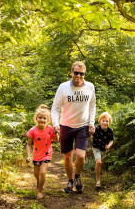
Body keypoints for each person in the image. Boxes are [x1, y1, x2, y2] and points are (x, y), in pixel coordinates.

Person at [51, 61, 96, 193]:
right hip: (65, 125)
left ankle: (77, 177)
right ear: (71, 72)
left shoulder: (90, 87)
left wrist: (91, 122)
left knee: (81, 156)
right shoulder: (63, 87)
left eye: (81, 74)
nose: (79, 76)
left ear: (84, 74)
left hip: (82, 125)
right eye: (76, 73)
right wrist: (55, 123)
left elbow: (92, 106)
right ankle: (70, 181)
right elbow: (55, 108)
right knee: (67, 157)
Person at [26, 104, 59, 199]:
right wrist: (28, 156)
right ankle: (39, 184)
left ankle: (39, 191)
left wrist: (56, 133)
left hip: (47, 154)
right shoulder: (32, 130)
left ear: (47, 120)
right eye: (40, 118)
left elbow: (56, 141)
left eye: (44, 118)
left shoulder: (50, 129)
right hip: (36, 155)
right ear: (36, 118)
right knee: (36, 174)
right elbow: (28, 144)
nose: (42, 120)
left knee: (43, 172)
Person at [91, 112, 114, 190]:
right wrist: (90, 133)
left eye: (107, 121)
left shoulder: (110, 130)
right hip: (96, 148)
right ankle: (98, 181)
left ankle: (97, 175)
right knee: (99, 162)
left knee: (101, 164)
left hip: (104, 150)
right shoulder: (96, 128)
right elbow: (90, 137)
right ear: (100, 121)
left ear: (109, 122)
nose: (105, 122)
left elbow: (111, 141)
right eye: (103, 120)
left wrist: (109, 146)